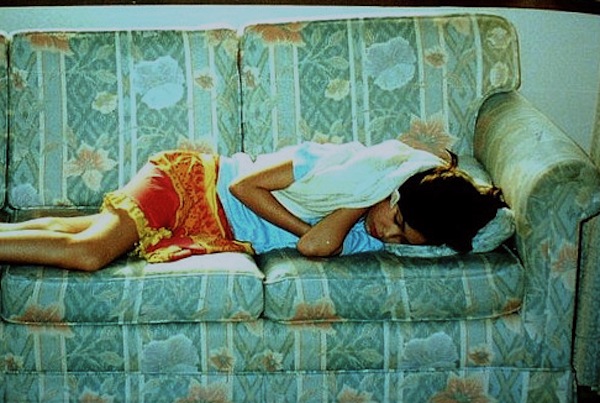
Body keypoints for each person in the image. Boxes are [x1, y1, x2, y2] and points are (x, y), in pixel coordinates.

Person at [0, 140, 505, 271]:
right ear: (392, 189)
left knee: (83, 232)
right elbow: (245, 188)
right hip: (193, 185)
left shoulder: (364, 220)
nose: (386, 235)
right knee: (91, 252)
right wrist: (361, 197)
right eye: (395, 220)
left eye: (401, 238)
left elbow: (493, 223)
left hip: (208, 219)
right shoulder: (331, 168)